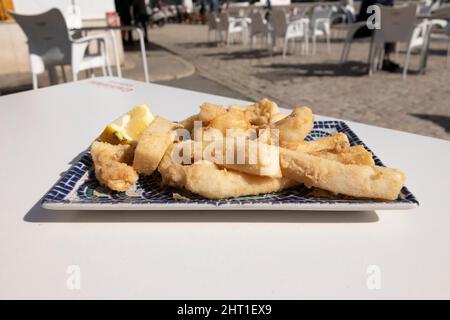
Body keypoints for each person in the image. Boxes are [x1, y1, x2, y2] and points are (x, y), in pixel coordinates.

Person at [354, 0, 399, 72]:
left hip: (376, 26)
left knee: (390, 29)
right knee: (389, 30)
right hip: (364, 27)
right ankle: (384, 60)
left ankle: (385, 59)